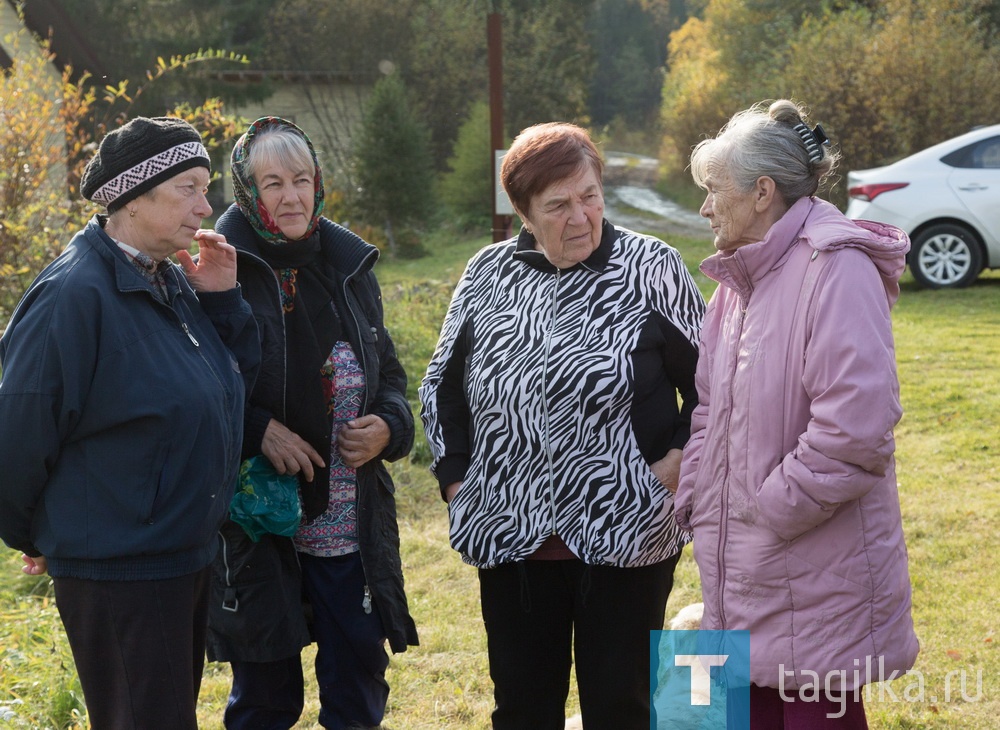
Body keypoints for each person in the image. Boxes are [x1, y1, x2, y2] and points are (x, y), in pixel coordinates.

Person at [419, 122, 706, 730]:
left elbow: (713, 387)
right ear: (522, 212)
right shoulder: (487, 274)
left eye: (590, 196)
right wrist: (457, 483)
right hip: (510, 531)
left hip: (628, 527)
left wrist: (678, 460)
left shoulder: (652, 267)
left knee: (621, 706)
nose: (580, 217)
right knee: (522, 708)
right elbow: (440, 385)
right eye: (557, 205)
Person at [0, 116, 260, 729]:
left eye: (206, 186)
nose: (207, 205)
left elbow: (225, 393)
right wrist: (42, 534)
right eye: (188, 188)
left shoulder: (168, 277)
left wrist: (223, 302)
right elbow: (17, 437)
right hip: (122, 568)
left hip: (178, 553)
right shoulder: (73, 296)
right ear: (133, 196)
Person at [674, 99, 919, 728]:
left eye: (713, 190)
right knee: (728, 717)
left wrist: (766, 508)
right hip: (740, 570)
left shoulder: (837, 269)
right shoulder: (736, 283)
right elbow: (708, 410)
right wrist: (701, 497)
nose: (704, 208)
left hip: (810, 578)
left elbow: (855, 432)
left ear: (761, 192)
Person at [205, 117, 418, 730]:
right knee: (267, 694)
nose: (292, 197)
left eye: (302, 180)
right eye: (273, 184)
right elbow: (203, 388)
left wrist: (387, 425)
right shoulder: (221, 268)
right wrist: (259, 428)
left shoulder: (347, 267)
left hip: (347, 522)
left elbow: (391, 376)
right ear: (247, 192)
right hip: (258, 522)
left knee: (356, 677)